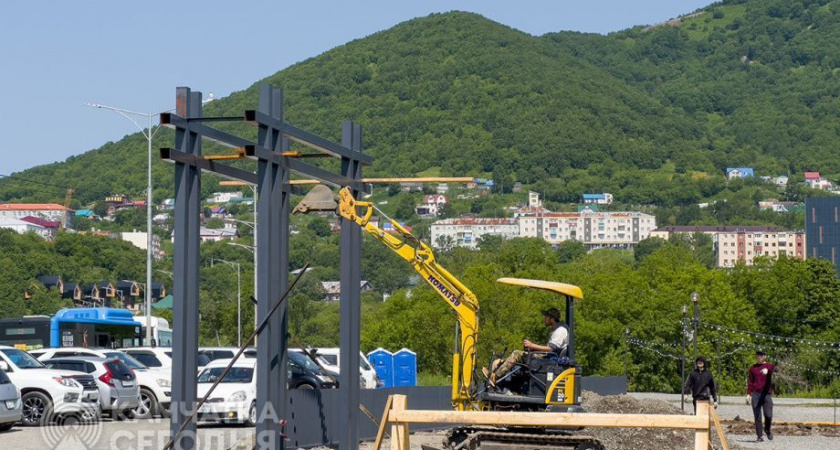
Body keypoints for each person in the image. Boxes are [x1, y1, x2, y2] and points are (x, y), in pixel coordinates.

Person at [485, 307, 568, 386]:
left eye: (546, 316)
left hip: (549, 358)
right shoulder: (557, 329)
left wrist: (532, 345)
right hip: (547, 356)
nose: (544, 318)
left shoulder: (560, 331)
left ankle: (494, 377)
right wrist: (532, 348)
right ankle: (498, 366)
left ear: (552, 319)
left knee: (517, 354)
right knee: (517, 356)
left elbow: (551, 348)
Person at [747, 350, 775, 442]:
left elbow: (772, 369)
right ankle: (759, 436)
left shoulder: (769, 366)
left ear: (765, 357)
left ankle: (767, 429)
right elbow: (750, 381)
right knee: (757, 416)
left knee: (768, 415)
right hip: (755, 394)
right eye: (758, 355)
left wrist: (767, 370)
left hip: (766, 394)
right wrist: (748, 393)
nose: (759, 357)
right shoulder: (752, 368)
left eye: (761, 355)